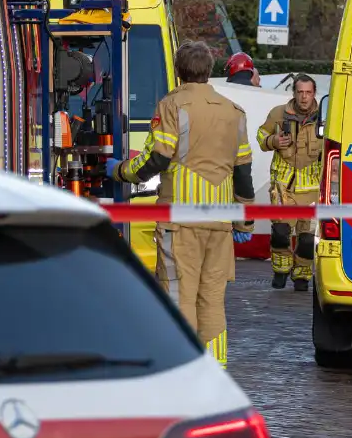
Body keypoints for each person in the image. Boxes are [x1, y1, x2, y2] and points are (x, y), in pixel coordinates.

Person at [107, 41, 255, 370]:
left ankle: (184, 370)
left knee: (179, 296)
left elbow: (158, 156)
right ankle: (215, 370)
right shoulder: (233, 111)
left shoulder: (172, 105)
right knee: (212, 301)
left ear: (178, 69)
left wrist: (120, 171)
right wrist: (244, 222)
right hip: (220, 224)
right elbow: (243, 172)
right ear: (210, 70)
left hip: (181, 223)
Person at [256, 74, 321, 291]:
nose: (304, 97)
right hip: (283, 186)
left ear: (314, 94)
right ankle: (281, 271)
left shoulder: (325, 117)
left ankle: (301, 276)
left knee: (307, 240)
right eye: (300, 92)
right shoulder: (278, 113)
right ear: (293, 93)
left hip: (312, 189)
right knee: (281, 232)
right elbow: (260, 135)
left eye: (308, 93)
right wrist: (272, 141)